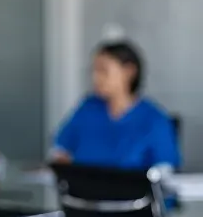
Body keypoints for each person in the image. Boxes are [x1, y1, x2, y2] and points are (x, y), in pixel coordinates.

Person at [51, 40, 180, 171]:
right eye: (94, 71)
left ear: (129, 72)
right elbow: (61, 150)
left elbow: (164, 172)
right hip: (82, 189)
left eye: (103, 71)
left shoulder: (155, 121)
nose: (95, 78)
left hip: (131, 191)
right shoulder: (88, 108)